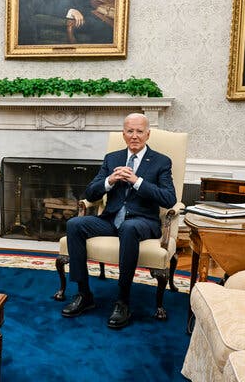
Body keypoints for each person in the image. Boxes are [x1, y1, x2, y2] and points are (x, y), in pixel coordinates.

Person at [61, 113, 176, 329]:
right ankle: (84, 294)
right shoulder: (112, 159)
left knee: (129, 227)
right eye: (130, 131)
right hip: (111, 220)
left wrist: (137, 181)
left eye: (139, 131)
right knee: (74, 224)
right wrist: (110, 180)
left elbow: (169, 199)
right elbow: (91, 193)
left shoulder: (161, 161)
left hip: (143, 222)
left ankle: (123, 301)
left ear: (147, 134)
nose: (134, 136)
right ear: (123, 134)